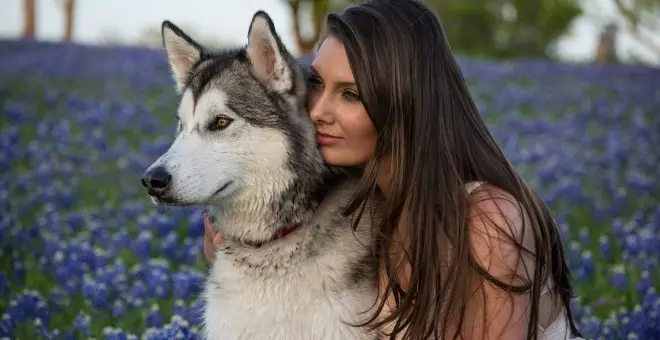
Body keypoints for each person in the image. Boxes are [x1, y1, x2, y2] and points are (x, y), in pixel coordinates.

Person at [202, 1, 582, 339]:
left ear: (402, 104)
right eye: (317, 83)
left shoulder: (488, 221)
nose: (316, 111)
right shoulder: (355, 206)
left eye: (350, 94)